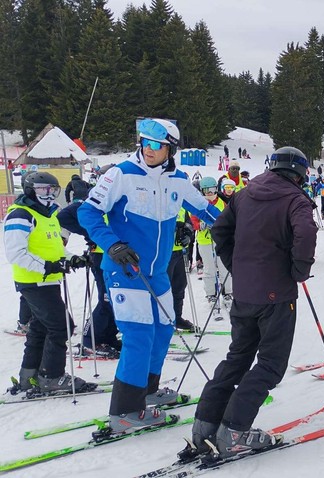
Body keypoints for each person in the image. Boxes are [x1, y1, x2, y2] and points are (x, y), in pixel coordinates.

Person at [79, 118, 221, 434]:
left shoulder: (177, 179)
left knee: (163, 329)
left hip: (156, 273)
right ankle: (125, 411)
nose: (149, 149)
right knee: (138, 336)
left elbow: (207, 211)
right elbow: (87, 212)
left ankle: (148, 390)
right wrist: (112, 244)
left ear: (170, 149)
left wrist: (240, 228)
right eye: (144, 142)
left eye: (156, 145)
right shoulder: (121, 174)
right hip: (125, 270)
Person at [189, 146, 317, 460]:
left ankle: (205, 426)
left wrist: (237, 265)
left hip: (245, 292)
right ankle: (233, 431)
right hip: (276, 294)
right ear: (299, 174)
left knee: (238, 358)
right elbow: (306, 231)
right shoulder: (295, 199)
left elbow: (220, 228)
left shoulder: (245, 194)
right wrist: (299, 270)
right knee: (270, 365)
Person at [4, 171, 94, 394]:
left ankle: (30, 376)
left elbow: (54, 248)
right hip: (33, 281)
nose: (49, 194)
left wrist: (70, 258)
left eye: (53, 190)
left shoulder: (49, 214)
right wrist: (47, 266)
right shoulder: (21, 214)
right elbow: (16, 253)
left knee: (40, 328)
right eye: (43, 189)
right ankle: (52, 376)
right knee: (61, 326)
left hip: (47, 281)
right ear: (30, 190)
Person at [57, 200, 122, 356]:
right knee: (106, 299)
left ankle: (108, 337)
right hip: (100, 256)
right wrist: (89, 232)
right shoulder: (98, 199)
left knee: (117, 299)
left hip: (118, 255)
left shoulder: (122, 200)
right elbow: (63, 217)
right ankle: (89, 340)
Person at [194, 177, 231, 303]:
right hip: (205, 241)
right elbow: (193, 220)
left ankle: (228, 291)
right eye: (206, 190)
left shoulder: (222, 203)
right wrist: (200, 225)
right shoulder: (199, 203)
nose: (209, 193)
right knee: (209, 268)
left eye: (212, 190)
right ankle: (211, 293)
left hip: (220, 240)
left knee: (224, 266)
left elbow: (229, 219)